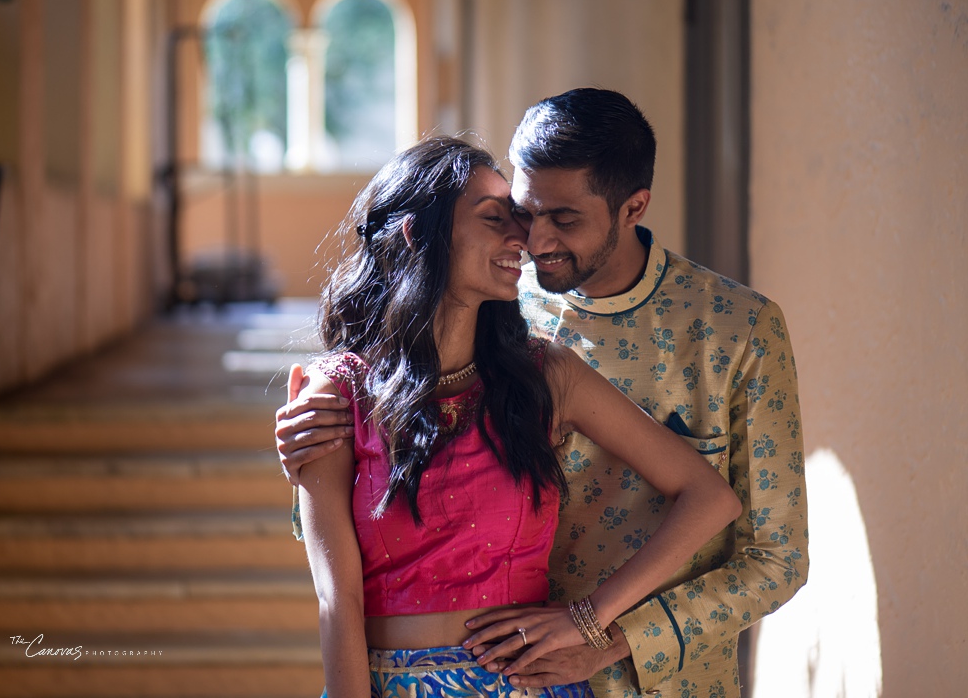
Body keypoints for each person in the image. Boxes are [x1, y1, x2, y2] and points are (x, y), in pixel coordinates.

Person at [279, 89, 809, 698]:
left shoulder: (734, 330)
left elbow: (776, 557)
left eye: (566, 219)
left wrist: (604, 634)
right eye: (522, 213)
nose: (531, 242)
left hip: (656, 684)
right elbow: (367, 529)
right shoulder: (494, 302)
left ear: (633, 206)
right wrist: (310, 444)